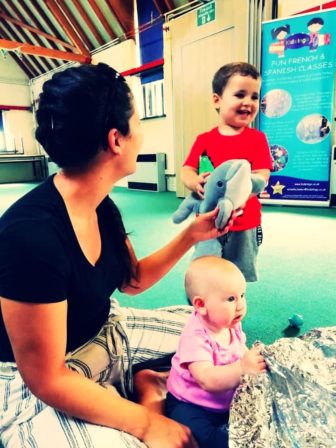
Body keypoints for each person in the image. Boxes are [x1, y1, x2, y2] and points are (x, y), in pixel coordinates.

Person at [0, 63, 236, 448]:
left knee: (215, 334)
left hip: (107, 335)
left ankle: (144, 381)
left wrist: (192, 234)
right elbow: (46, 378)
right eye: (138, 121)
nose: (141, 131)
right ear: (116, 140)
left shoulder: (101, 204)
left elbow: (132, 280)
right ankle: (143, 392)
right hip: (37, 381)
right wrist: (145, 424)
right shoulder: (29, 237)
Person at [180, 62, 273, 282]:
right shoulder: (204, 140)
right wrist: (195, 182)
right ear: (217, 100)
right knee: (205, 270)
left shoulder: (257, 139)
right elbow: (186, 169)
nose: (248, 103)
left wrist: (237, 196)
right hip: (207, 220)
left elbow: (262, 176)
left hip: (244, 224)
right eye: (240, 94)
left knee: (237, 276)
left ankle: (233, 311)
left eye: (254, 96)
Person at [165, 256, 267, 447]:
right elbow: (207, 379)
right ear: (201, 305)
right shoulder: (195, 337)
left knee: (260, 419)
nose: (241, 305)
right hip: (190, 405)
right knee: (207, 439)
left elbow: (239, 350)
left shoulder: (230, 323)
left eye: (242, 295)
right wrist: (243, 367)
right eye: (231, 299)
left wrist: (251, 361)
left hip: (224, 402)